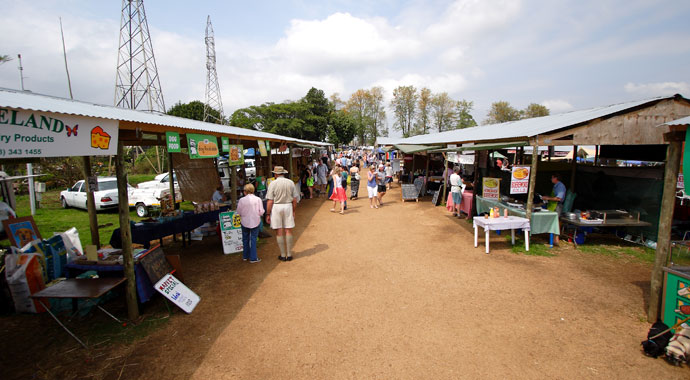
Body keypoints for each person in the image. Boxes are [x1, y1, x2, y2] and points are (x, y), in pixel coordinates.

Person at [266, 166, 299, 261]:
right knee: (288, 230)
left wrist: (268, 214)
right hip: (288, 205)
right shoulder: (290, 182)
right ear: (284, 173)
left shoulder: (272, 184)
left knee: (279, 231)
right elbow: (295, 199)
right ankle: (289, 254)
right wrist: (293, 210)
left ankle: (283, 254)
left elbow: (270, 201)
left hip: (277, 206)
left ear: (275, 174)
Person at [236, 184, 265, 263]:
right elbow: (261, 211)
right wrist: (258, 215)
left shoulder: (241, 200)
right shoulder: (258, 199)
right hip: (255, 221)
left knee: (245, 239)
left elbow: (238, 212)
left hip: (244, 221)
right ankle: (253, 257)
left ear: (245, 191)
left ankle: (245, 256)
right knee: (253, 239)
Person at [541, 173, 567, 245]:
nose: (551, 179)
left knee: (556, 221)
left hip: (557, 206)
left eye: (552, 178)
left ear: (556, 178)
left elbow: (558, 198)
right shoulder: (556, 186)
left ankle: (556, 239)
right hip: (552, 205)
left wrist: (547, 198)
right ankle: (552, 238)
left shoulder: (560, 186)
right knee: (552, 221)